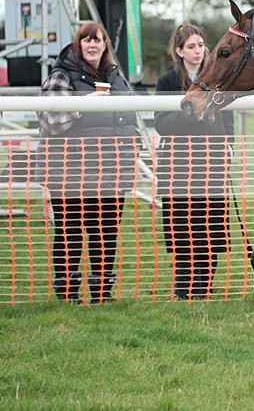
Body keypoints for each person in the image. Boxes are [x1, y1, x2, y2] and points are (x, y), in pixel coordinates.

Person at [37, 22, 138, 304]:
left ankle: (102, 294)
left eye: (98, 40)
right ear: (78, 44)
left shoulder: (116, 77)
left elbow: (130, 119)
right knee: (70, 234)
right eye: (87, 40)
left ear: (105, 45)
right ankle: (68, 293)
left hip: (112, 172)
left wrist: (135, 148)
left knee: (105, 235)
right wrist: (85, 104)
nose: (93, 45)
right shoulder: (61, 75)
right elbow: (49, 119)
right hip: (70, 174)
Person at [155, 22, 234, 300]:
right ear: (179, 51)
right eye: (191, 46)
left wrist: (228, 148)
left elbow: (227, 120)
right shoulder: (167, 82)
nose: (198, 51)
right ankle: (184, 289)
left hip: (212, 166)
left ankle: (206, 288)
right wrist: (192, 112)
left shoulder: (218, 77)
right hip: (178, 168)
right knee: (183, 230)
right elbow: (161, 124)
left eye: (200, 45)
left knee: (210, 230)